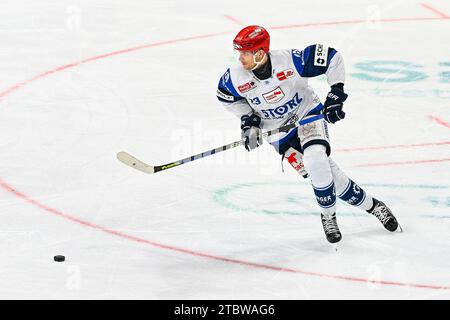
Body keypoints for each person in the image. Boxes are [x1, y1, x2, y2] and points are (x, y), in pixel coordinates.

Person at [216, 25, 400, 243]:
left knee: (315, 159)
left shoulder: (290, 61)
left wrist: (336, 93)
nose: (240, 58)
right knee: (325, 175)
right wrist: (249, 121)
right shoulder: (234, 78)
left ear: (260, 52)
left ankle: (328, 215)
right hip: (277, 133)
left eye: (245, 53)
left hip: (307, 115)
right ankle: (374, 206)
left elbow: (332, 57)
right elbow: (226, 97)